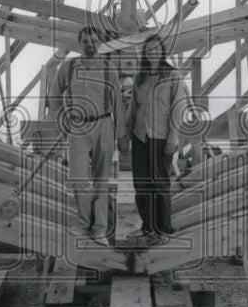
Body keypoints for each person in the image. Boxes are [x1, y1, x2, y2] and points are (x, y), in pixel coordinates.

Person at [49, 25, 123, 246]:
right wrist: (60, 120)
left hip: (104, 125)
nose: (90, 45)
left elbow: (118, 103)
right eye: (86, 42)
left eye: (94, 41)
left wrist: (122, 135)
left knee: (101, 179)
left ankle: (99, 229)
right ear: (80, 44)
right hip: (78, 128)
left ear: (99, 43)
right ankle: (83, 224)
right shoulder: (68, 68)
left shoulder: (109, 69)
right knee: (79, 178)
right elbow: (54, 96)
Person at [117, 35, 190, 245]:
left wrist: (172, 138)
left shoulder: (172, 76)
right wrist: (124, 136)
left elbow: (179, 107)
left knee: (160, 184)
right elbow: (132, 110)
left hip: (161, 138)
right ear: (145, 53)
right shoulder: (140, 77)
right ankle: (147, 228)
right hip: (140, 137)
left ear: (162, 51)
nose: (152, 52)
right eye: (148, 49)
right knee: (141, 185)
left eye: (156, 49)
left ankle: (163, 230)